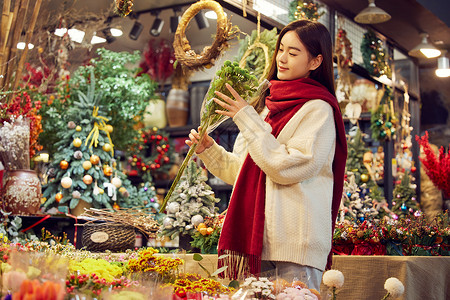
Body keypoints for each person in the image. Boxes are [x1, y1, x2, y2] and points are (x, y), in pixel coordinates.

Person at [186, 19, 347, 291]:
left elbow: (286, 168)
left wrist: (246, 118)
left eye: (293, 53)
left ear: (316, 61)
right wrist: (210, 151)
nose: (282, 58)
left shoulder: (318, 109)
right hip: (260, 241)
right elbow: (248, 172)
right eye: (281, 49)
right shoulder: (268, 108)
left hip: (296, 246)